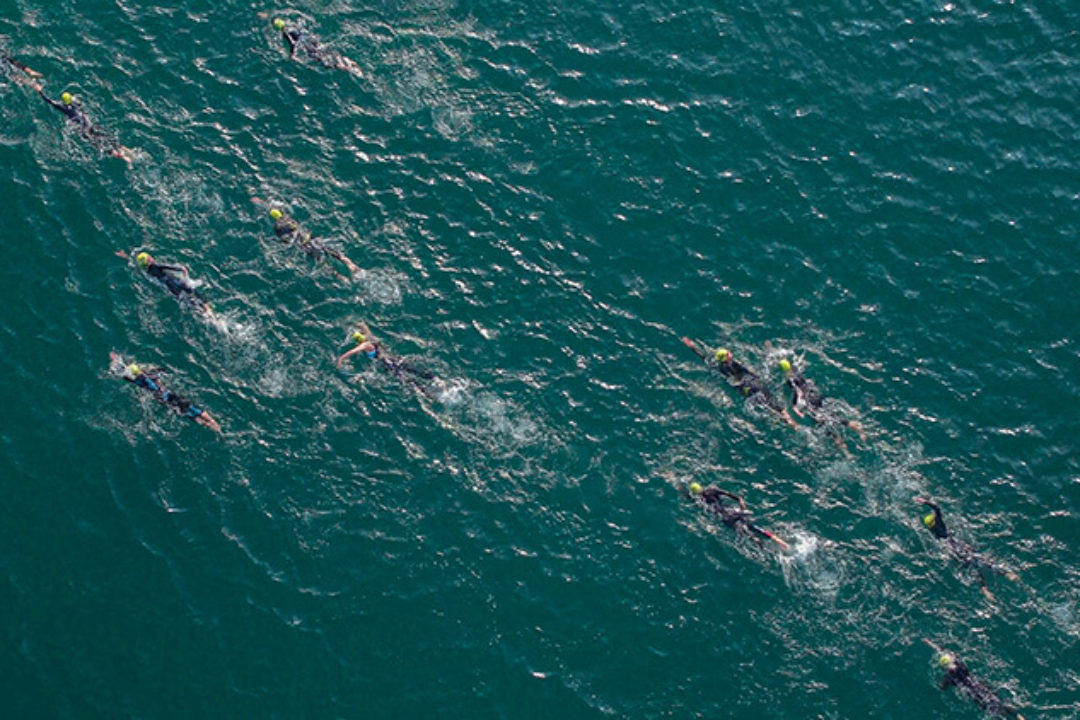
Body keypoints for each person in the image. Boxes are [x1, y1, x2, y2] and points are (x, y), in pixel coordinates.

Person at [915, 498, 1019, 601]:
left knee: (973, 568)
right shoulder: (940, 524)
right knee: (982, 560)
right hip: (958, 546)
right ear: (935, 521)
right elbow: (937, 508)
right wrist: (925, 502)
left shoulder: (933, 532)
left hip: (952, 551)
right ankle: (1006, 574)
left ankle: (985, 589)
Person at [682, 337, 798, 429]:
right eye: (728, 353)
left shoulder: (720, 368)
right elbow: (752, 373)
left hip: (745, 391)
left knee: (768, 409)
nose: (730, 353)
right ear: (727, 358)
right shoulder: (734, 363)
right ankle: (793, 424)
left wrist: (693, 347)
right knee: (779, 408)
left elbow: (704, 357)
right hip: (754, 385)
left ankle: (784, 421)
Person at [251, 198, 362, 278]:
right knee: (331, 251)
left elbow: (285, 241)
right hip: (311, 238)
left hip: (304, 245)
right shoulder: (288, 218)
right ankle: (351, 264)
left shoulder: (277, 228)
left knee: (321, 262)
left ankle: (339, 276)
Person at [111, 352, 221, 432]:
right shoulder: (183, 409)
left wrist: (139, 373)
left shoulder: (148, 384)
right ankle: (211, 423)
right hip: (167, 397)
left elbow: (147, 382)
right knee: (191, 411)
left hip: (163, 397)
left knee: (187, 413)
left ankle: (209, 423)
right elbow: (199, 414)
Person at [779, 357, 866, 451]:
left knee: (821, 421)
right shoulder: (797, 374)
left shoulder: (790, 380)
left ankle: (841, 442)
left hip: (810, 399)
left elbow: (798, 393)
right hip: (815, 393)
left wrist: (795, 408)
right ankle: (854, 427)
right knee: (828, 415)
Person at [923, 640, 1026, 719]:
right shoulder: (959, 665)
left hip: (975, 695)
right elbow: (950, 654)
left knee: (994, 711)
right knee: (999, 703)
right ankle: (1019, 716)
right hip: (980, 686)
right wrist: (932, 644)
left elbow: (942, 688)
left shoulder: (949, 677)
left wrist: (938, 683)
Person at [34, 86, 135, 164]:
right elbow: (79, 104)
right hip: (89, 123)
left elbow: (49, 101)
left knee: (100, 146)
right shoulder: (75, 103)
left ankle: (124, 158)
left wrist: (40, 91)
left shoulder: (63, 107)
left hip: (83, 129)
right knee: (106, 137)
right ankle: (127, 150)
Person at [336, 321, 438, 396]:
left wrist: (341, 359)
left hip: (387, 363)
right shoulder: (370, 337)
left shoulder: (365, 345)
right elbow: (364, 325)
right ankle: (435, 379)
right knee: (412, 370)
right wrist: (353, 324)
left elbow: (352, 351)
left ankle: (425, 394)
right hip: (394, 358)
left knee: (406, 380)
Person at [687, 482, 790, 550]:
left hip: (727, 519)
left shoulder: (700, 500)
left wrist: (681, 489)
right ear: (701, 487)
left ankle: (767, 548)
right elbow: (738, 498)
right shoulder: (712, 490)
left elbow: (690, 499)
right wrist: (743, 509)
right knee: (755, 528)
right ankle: (783, 544)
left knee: (749, 535)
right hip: (734, 512)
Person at [117, 250, 213, 316]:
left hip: (172, 289)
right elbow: (167, 266)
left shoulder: (148, 272)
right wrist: (181, 269)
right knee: (194, 293)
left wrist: (125, 257)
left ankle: (203, 314)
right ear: (149, 260)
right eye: (149, 257)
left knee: (188, 301)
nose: (151, 257)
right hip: (177, 282)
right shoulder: (156, 265)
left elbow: (136, 266)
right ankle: (209, 311)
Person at [271, 17, 364, 77]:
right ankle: (347, 60)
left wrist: (292, 55)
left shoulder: (287, 35)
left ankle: (343, 67)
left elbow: (292, 44)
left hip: (307, 47)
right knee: (325, 51)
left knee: (322, 60)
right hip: (310, 41)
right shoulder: (294, 28)